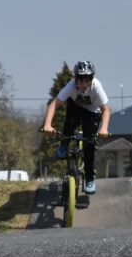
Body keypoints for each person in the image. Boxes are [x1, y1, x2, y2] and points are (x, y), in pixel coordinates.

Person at [42, 60, 111, 194]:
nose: (84, 84)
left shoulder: (96, 86)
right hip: (75, 108)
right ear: (75, 78)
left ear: (92, 79)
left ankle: (90, 179)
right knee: (69, 122)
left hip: (92, 112)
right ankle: (64, 144)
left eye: (88, 80)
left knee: (90, 145)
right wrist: (47, 125)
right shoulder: (71, 86)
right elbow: (54, 104)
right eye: (81, 80)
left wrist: (104, 128)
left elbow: (106, 110)